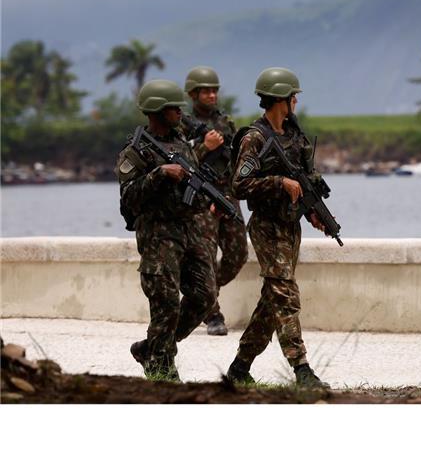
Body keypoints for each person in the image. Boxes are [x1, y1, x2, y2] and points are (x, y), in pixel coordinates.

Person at [224, 67, 330, 389]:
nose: (296, 101)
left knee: (272, 300)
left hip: (289, 227)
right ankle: (302, 370)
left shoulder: (294, 135)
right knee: (285, 295)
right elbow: (239, 184)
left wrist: (312, 212)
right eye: (293, 95)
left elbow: (304, 181)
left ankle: (240, 366)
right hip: (267, 228)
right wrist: (278, 182)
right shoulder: (254, 138)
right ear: (281, 98)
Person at [116, 79, 216, 381]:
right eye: (174, 108)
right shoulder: (135, 151)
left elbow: (194, 179)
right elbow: (129, 199)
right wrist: (159, 174)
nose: (180, 113)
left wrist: (209, 201)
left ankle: (152, 348)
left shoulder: (182, 143)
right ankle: (162, 371)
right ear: (158, 111)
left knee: (204, 296)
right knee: (166, 305)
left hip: (190, 232)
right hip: (158, 237)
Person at [182, 66, 247, 336]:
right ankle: (212, 315)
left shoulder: (225, 122)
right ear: (193, 94)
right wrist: (203, 146)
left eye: (214, 90)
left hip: (226, 196)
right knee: (205, 259)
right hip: (199, 198)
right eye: (205, 91)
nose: (211, 95)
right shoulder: (181, 123)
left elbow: (234, 161)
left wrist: (234, 193)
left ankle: (205, 292)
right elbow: (179, 162)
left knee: (237, 254)